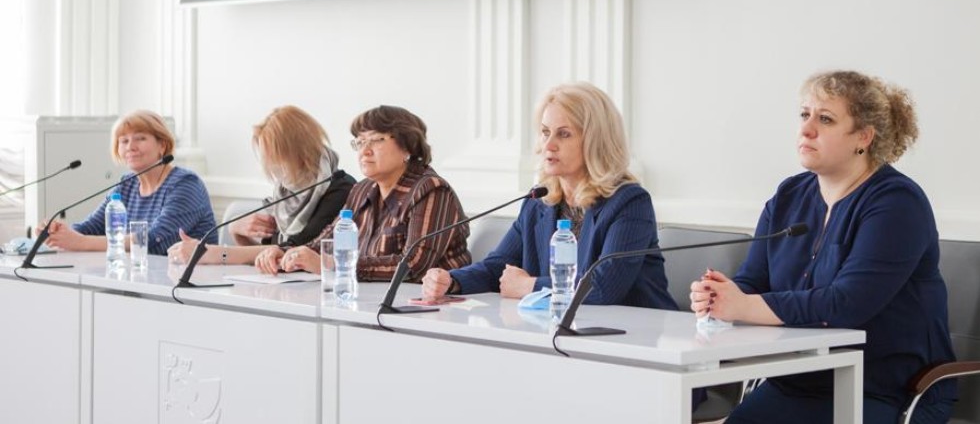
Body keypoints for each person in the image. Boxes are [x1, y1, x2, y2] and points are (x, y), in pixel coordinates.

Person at [690, 71, 956, 424]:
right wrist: (719, 296)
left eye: (825, 119)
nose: (806, 129)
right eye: (805, 115)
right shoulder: (788, 195)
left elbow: (845, 304)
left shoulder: (897, 202)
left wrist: (743, 305)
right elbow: (752, 282)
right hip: (795, 381)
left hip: (884, 391)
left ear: (863, 137)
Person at [421, 82, 676, 310]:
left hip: (632, 335)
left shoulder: (629, 202)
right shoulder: (539, 201)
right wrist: (451, 281)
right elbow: (498, 268)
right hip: (563, 329)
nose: (548, 145)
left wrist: (529, 286)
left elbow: (603, 288)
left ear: (595, 141)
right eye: (545, 132)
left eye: (563, 134)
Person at [260, 105, 471, 280]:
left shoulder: (431, 190)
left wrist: (333, 265)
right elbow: (324, 242)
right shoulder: (362, 190)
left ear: (408, 146)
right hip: (368, 299)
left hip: (429, 306)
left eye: (376, 140)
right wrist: (286, 253)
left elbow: (413, 266)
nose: (365, 151)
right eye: (360, 142)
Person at [167, 105, 355, 266]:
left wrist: (213, 253)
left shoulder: (340, 189)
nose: (273, 167)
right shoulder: (284, 194)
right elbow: (268, 256)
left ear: (300, 150)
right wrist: (236, 232)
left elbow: (293, 249)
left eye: (277, 156)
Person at [41, 110, 216, 255]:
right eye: (124, 141)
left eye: (140, 138)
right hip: (139, 276)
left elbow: (153, 241)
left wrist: (80, 242)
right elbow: (91, 227)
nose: (130, 147)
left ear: (162, 145)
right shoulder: (127, 184)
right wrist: (58, 232)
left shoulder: (186, 184)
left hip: (187, 281)